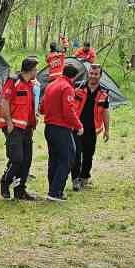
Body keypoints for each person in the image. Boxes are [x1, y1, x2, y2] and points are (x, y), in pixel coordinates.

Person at [0, 57, 41, 200]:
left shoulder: (30, 84)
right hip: (14, 127)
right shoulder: (13, 81)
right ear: (31, 69)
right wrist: (9, 123)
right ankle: (5, 182)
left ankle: (20, 191)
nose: (37, 72)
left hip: (27, 128)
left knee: (26, 161)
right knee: (17, 159)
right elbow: (4, 101)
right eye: (36, 69)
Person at [41, 62, 82, 201]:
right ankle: (56, 192)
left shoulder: (51, 85)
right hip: (61, 129)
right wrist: (78, 126)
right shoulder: (67, 87)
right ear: (73, 78)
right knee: (68, 158)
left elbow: (42, 107)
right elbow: (68, 111)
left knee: (54, 159)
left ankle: (52, 188)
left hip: (49, 128)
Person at [72, 63, 111, 192]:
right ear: (88, 73)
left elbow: (105, 111)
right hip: (77, 127)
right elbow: (70, 106)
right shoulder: (77, 87)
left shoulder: (104, 92)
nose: (93, 76)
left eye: (96, 74)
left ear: (100, 76)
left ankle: (84, 177)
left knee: (89, 155)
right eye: (91, 73)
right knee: (76, 154)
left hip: (93, 129)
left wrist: (107, 130)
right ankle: (75, 179)